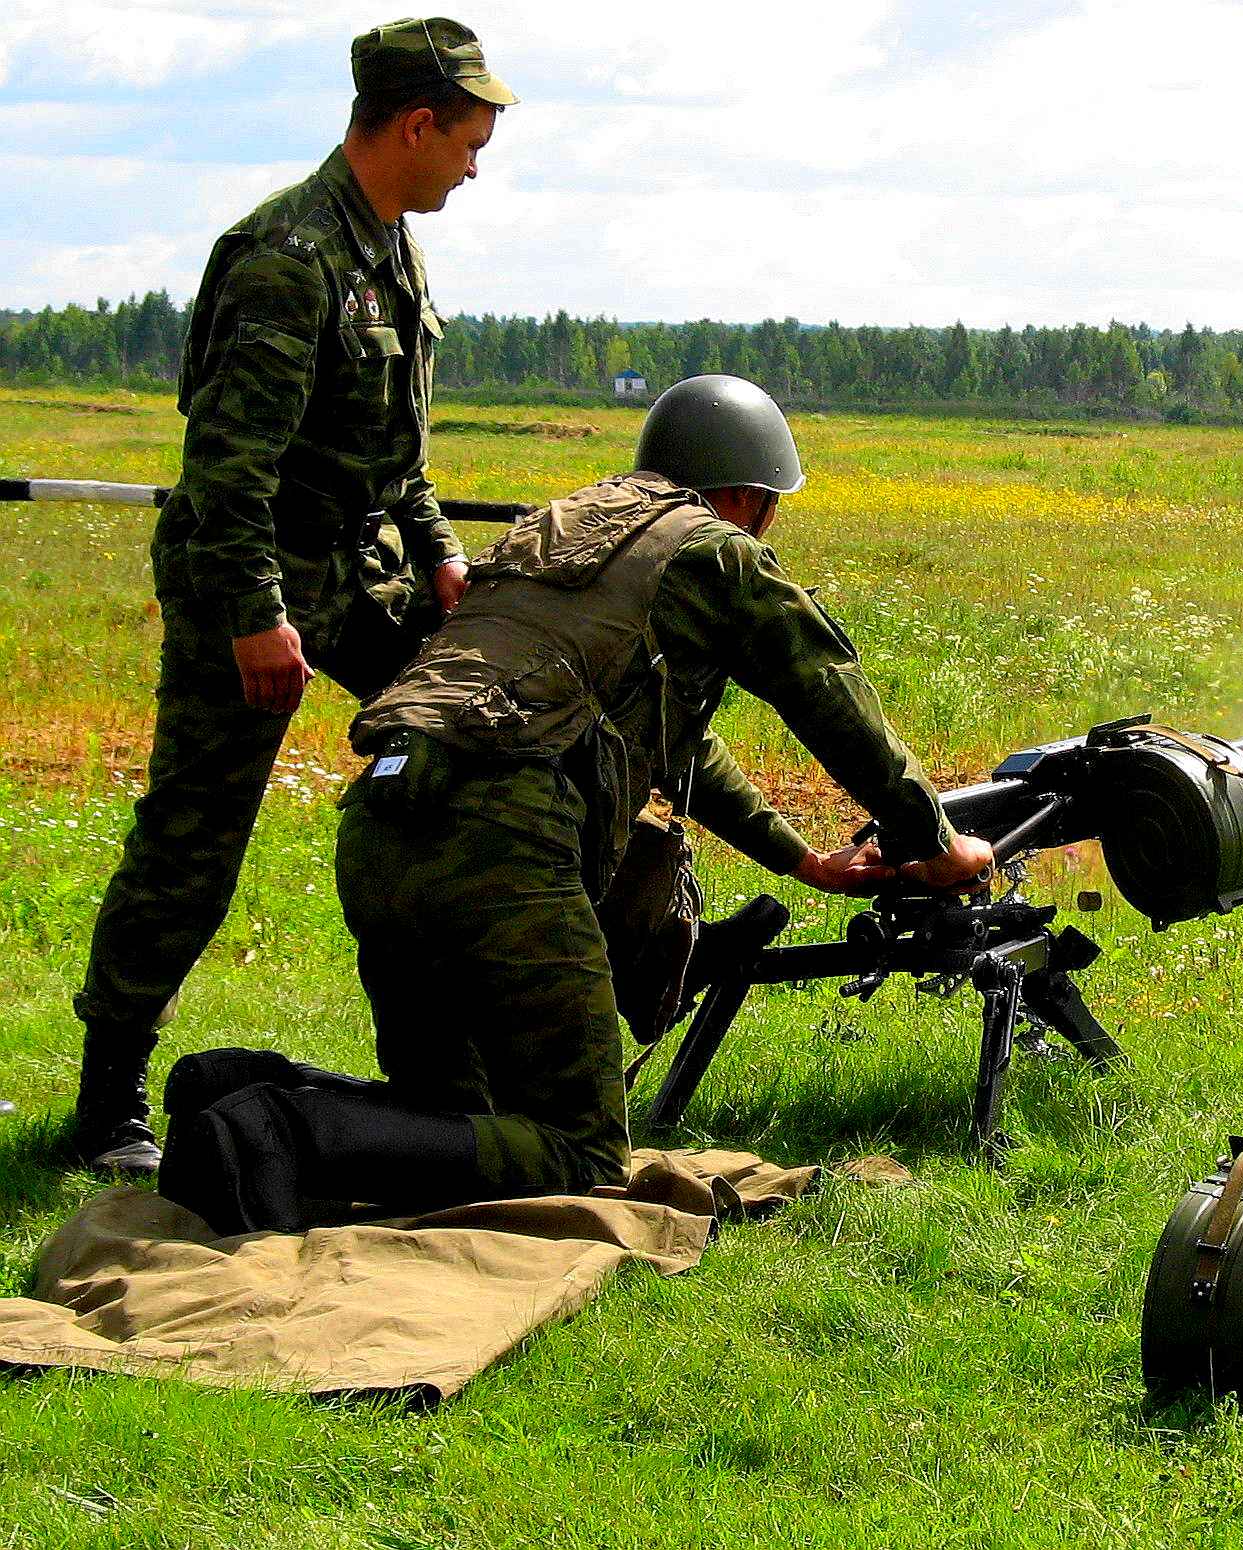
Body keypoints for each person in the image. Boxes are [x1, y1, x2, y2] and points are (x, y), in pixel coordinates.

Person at [156, 376, 994, 1235]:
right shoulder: (716, 552)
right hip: (504, 844)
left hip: (381, 819)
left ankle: (242, 1099)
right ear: (746, 495)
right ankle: (280, 1130)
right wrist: (934, 840)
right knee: (580, 1153)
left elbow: (676, 743)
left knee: (456, 1114)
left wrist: (802, 860)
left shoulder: (559, 531)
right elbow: (832, 702)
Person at [69, 18, 517, 1175]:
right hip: (251, 572)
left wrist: (439, 555)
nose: (475, 165)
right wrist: (255, 617)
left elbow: (396, 459)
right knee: (196, 835)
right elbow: (229, 473)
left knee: (476, 750)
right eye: (469, 140)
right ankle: (109, 1092)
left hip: (355, 569)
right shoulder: (286, 254)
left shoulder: (391, 247)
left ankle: (458, 1057)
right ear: (415, 125)